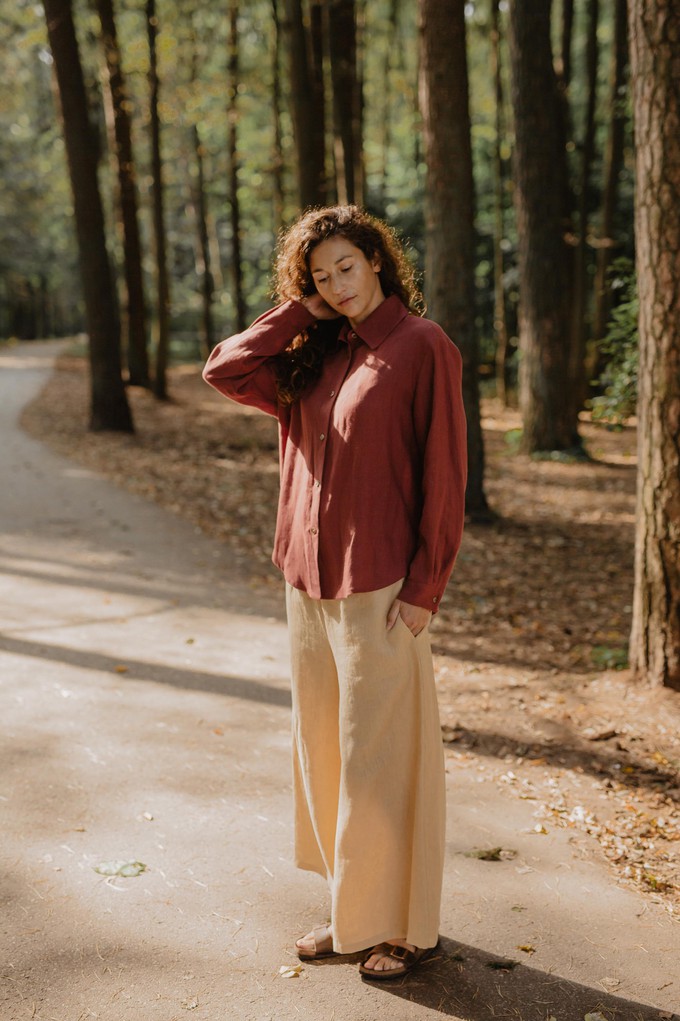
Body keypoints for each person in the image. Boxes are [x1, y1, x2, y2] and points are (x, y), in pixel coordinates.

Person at [203, 205, 467, 980]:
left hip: (382, 585)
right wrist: (297, 313)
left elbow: (446, 476)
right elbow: (224, 368)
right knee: (325, 751)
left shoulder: (423, 347)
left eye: (347, 266)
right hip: (307, 582)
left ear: (378, 261)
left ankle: (404, 928)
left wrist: (426, 586)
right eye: (320, 276)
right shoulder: (309, 351)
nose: (337, 284)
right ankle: (352, 911)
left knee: (382, 759)